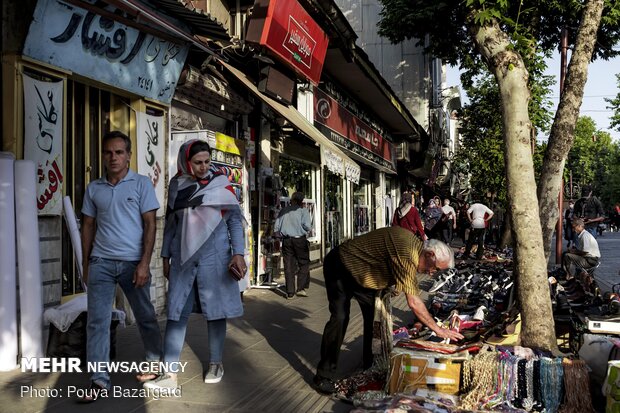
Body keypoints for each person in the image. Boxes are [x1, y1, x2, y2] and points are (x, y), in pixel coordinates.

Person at [145, 140, 245, 391]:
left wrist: (239, 253)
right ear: (187, 161)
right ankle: (169, 373)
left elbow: (234, 221)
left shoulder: (222, 184)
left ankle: (216, 363)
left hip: (216, 259)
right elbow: (171, 224)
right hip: (183, 260)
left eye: (206, 162)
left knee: (216, 312)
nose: (202, 167)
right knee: (176, 313)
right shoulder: (177, 185)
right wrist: (165, 257)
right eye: (197, 162)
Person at [313, 228, 464, 394]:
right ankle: (323, 376)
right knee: (340, 317)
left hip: (364, 276)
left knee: (374, 321)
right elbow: (414, 302)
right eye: (434, 268)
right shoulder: (407, 253)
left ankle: (369, 366)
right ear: (429, 254)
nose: (431, 273)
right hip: (341, 266)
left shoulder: (415, 250)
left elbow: (400, 273)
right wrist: (438, 329)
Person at [80, 131, 162, 401]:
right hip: (101, 262)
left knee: (146, 317)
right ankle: (99, 380)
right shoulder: (94, 188)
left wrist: (144, 264)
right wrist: (85, 262)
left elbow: (151, 224)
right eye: (108, 152)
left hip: (133, 264)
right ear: (103, 156)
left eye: (119, 152)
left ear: (128, 155)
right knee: (97, 322)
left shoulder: (141, 184)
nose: (113, 157)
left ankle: (154, 362)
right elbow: (88, 226)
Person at [275, 191, 312, 299]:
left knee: (289, 265)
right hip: (299, 240)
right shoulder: (303, 211)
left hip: (287, 241)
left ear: (293, 200)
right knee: (304, 263)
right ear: (300, 201)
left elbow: (276, 227)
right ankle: (300, 288)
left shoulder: (283, 210)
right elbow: (307, 226)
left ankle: (290, 292)